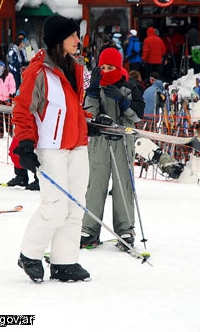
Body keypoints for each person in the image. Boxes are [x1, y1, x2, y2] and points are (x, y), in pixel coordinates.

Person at [13, 14, 91, 283]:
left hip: (77, 146)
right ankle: (29, 254)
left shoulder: (77, 68)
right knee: (55, 205)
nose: (77, 41)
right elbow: (23, 110)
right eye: (72, 36)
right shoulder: (37, 72)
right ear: (58, 40)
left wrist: (89, 121)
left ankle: (65, 262)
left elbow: (71, 108)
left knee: (75, 206)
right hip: (51, 148)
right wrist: (24, 144)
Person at [81, 48, 145, 250]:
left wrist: (123, 101)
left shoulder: (129, 87)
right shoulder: (96, 88)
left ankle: (125, 228)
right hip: (100, 141)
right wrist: (91, 92)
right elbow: (88, 115)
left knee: (122, 184)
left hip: (122, 141)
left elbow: (137, 116)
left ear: (118, 67)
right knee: (95, 184)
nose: (106, 71)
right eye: (103, 67)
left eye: (111, 67)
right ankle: (89, 229)